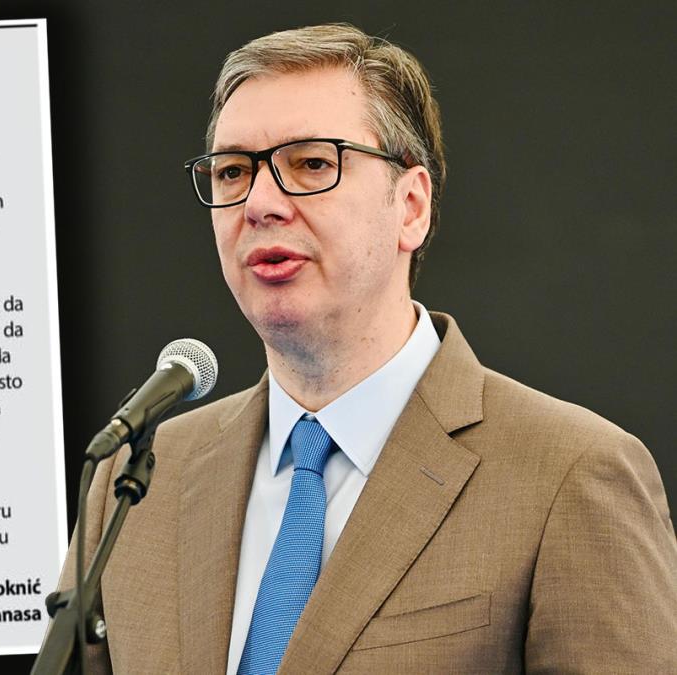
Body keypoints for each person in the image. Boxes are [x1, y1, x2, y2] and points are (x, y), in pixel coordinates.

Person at [57, 23, 677, 673]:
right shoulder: (133, 484)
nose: (259, 203)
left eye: (312, 164)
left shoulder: (572, 474)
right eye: (233, 171)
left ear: (411, 207)